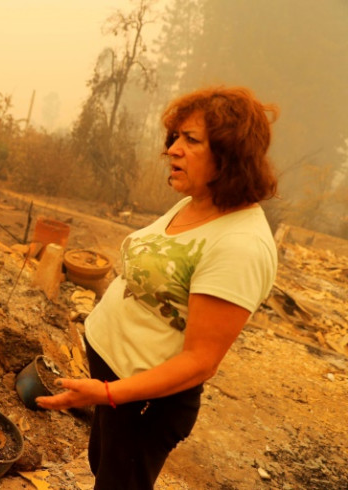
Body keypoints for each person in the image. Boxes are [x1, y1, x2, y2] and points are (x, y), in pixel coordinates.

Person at [36, 87, 279, 489]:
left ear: (231, 154)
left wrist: (110, 393)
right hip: (115, 383)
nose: (172, 150)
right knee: (103, 466)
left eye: (191, 140)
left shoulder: (241, 245)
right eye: (175, 137)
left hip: (143, 402)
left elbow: (201, 361)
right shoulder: (196, 202)